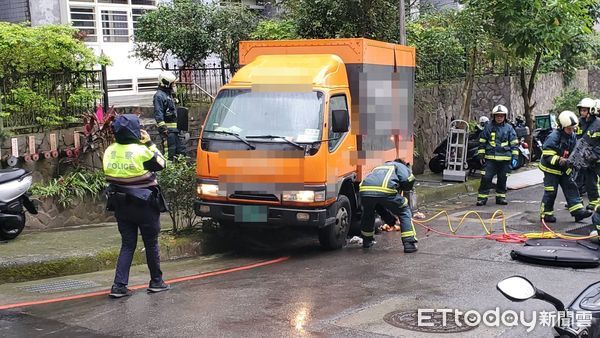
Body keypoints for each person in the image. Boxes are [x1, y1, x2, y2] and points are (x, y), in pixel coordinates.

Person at [103, 114, 170, 298]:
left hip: (120, 204)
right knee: (150, 243)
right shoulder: (142, 151)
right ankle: (156, 281)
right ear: (135, 130)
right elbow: (162, 164)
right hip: (144, 204)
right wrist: (149, 143)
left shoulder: (109, 151)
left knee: (127, 244)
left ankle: (119, 286)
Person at [539, 110, 592, 223]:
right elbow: (547, 154)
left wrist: (575, 161)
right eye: (569, 128)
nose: (571, 130)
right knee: (551, 191)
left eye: (573, 128)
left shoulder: (572, 136)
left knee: (571, 187)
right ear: (562, 126)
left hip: (564, 169)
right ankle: (546, 214)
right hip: (551, 169)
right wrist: (560, 160)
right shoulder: (553, 136)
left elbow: (573, 151)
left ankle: (578, 212)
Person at [358, 159, 418, 252]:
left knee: (368, 213)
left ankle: (367, 241)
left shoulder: (380, 166)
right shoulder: (400, 166)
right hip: (386, 190)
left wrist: (389, 218)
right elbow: (408, 179)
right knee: (404, 210)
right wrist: (404, 188)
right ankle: (409, 243)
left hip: (365, 190)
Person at [476, 105, 519, 206]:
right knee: (486, 178)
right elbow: (482, 142)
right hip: (490, 158)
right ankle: (482, 198)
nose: (499, 118)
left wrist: (515, 157)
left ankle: (501, 197)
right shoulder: (488, 127)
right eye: (497, 116)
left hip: (505, 159)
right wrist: (481, 155)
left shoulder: (509, 128)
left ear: (504, 117)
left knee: (502, 179)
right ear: (494, 116)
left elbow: (514, 143)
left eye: (501, 116)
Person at [154, 71, 185, 160]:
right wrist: (163, 128)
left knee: (180, 151)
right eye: (173, 83)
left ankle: (179, 171)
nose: (174, 85)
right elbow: (158, 113)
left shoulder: (169, 94)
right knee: (169, 153)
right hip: (168, 131)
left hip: (176, 130)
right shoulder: (159, 96)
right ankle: (168, 171)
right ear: (167, 83)